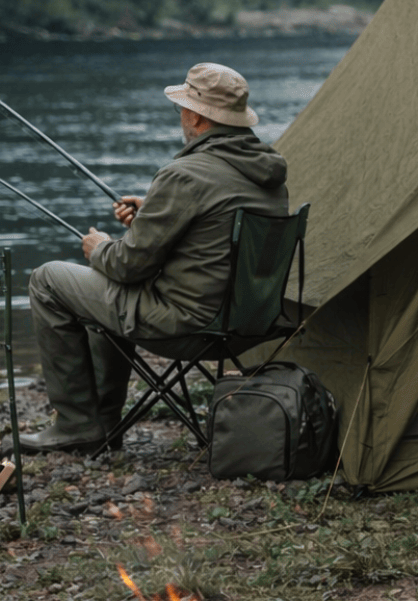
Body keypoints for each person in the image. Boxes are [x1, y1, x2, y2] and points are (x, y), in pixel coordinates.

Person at [21, 63, 289, 452]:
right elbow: (215, 226)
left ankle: (78, 423)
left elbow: (128, 265)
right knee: (105, 292)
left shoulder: (185, 175)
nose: (181, 115)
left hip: (185, 326)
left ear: (196, 116)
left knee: (47, 279)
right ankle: (104, 422)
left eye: (183, 107)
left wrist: (99, 249)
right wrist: (153, 209)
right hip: (246, 325)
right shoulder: (269, 177)